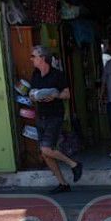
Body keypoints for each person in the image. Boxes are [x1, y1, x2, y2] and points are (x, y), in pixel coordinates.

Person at [30, 45, 83, 194]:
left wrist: (55, 95)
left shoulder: (58, 75)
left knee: (46, 148)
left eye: (33, 56)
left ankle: (74, 164)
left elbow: (67, 94)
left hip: (55, 116)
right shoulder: (35, 75)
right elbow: (32, 93)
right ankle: (63, 184)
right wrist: (34, 95)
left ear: (42, 58)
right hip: (41, 116)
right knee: (46, 154)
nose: (31, 59)